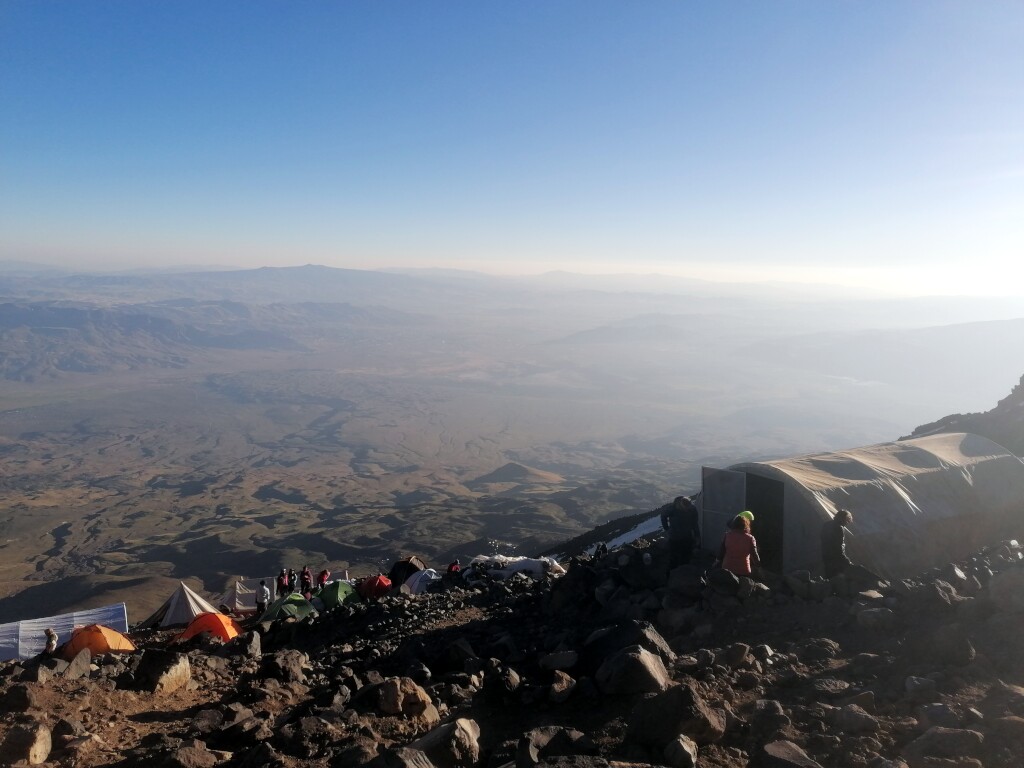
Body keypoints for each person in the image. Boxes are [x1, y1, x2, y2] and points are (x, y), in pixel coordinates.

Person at [660, 496, 700, 567]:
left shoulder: (692, 509)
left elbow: (695, 524)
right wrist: (667, 528)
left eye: (688, 508)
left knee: (686, 556)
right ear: (681, 505)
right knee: (673, 558)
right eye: (685, 508)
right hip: (674, 537)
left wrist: (697, 537)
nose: (686, 510)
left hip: (687, 536)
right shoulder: (673, 508)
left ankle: (684, 571)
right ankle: (672, 573)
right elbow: (663, 515)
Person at [821, 508, 854, 579]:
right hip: (836, 558)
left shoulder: (826, 524)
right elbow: (839, 546)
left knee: (829, 577)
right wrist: (846, 560)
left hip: (825, 555)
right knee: (839, 578)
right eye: (847, 520)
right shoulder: (839, 528)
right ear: (844, 519)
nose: (847, 523)